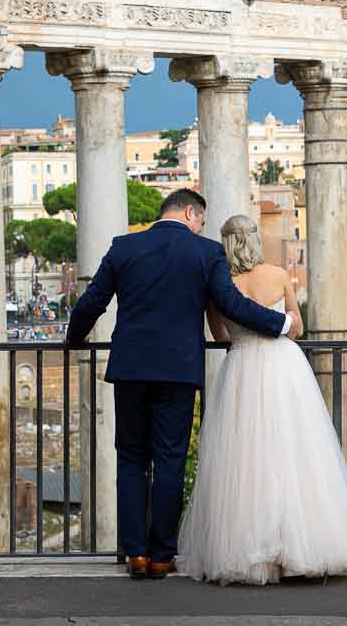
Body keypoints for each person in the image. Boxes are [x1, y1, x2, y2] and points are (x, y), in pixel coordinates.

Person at [65, 190, 295, 581]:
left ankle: (135, 553)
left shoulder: (124, 247)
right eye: (200, 220)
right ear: (191, 212)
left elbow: (91, 303)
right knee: (170, 460)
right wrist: (281, 323)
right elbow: (231, 304)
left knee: (131, 459)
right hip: (178, 369)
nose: (200, 227)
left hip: (132, 368)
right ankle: (161, 556)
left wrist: (74, 340)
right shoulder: (206, 253)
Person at [176, 214, 347, 585]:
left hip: (242, 369)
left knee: (245, 459)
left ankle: (251, 552)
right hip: (284, 367)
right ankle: (299, 547)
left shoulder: (219, 286)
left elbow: (220, 335)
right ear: (254, 240)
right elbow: (297, 327)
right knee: (294, 453)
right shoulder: (279, 275)